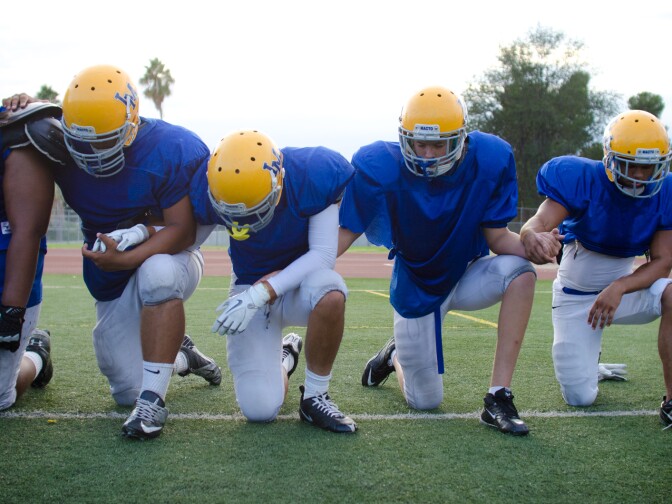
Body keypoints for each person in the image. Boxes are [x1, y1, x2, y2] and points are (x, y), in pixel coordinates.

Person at [4, 64, 222, 440]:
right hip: (110, 270)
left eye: (106, 140)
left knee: (157, 273)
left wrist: (127, 255)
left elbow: (183, 230)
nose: (93, 153)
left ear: (132, 125)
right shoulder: (54, 142)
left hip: (172, 254)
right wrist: (25, 103)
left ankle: (156, 396)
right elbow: (37, 119)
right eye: (83, 142)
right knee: (124, 391)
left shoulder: (172, 148)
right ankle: (180, 354)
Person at [338, 86, 560, 436]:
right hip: (417, 286)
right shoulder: (379, 164)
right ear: (404, 138)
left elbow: (498, 238)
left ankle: (498, 395)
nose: (427, 154)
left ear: (461, 139)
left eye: (438, 144)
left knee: (521, 272)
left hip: (468, 272)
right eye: (419, 144)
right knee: (424, 402)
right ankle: (394, 356)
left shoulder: (491, 157)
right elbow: (346, 232)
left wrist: (531, 243)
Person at [190, 129, 357, 433]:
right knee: (259, 409)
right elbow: (188, 242)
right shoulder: (210, 183)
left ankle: (316, 396)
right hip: (248, 284)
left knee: (331, 289)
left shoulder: (312, 174)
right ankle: (285, 357)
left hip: (295, 285)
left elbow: (322, 257)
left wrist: (262, 292)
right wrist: (140, 233)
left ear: (278, 183)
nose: (245, 225)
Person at [520, 109, 672, 428]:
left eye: (649, 167)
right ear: (611, 158)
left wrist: (619, 287)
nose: (641, 176)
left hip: (627, 291)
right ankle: (591, 364)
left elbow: (663, 261)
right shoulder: (582, 179)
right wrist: (530, 235)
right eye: (633, 165)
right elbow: (540, 222)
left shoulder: (665, 192)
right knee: (580, 398)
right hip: (577, 299)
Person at [0, 101, 64, 410]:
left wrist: (11, 313)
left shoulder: (15, 133)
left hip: (7, 287)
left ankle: (36, 353)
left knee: (0, 395)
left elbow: (27, 230)